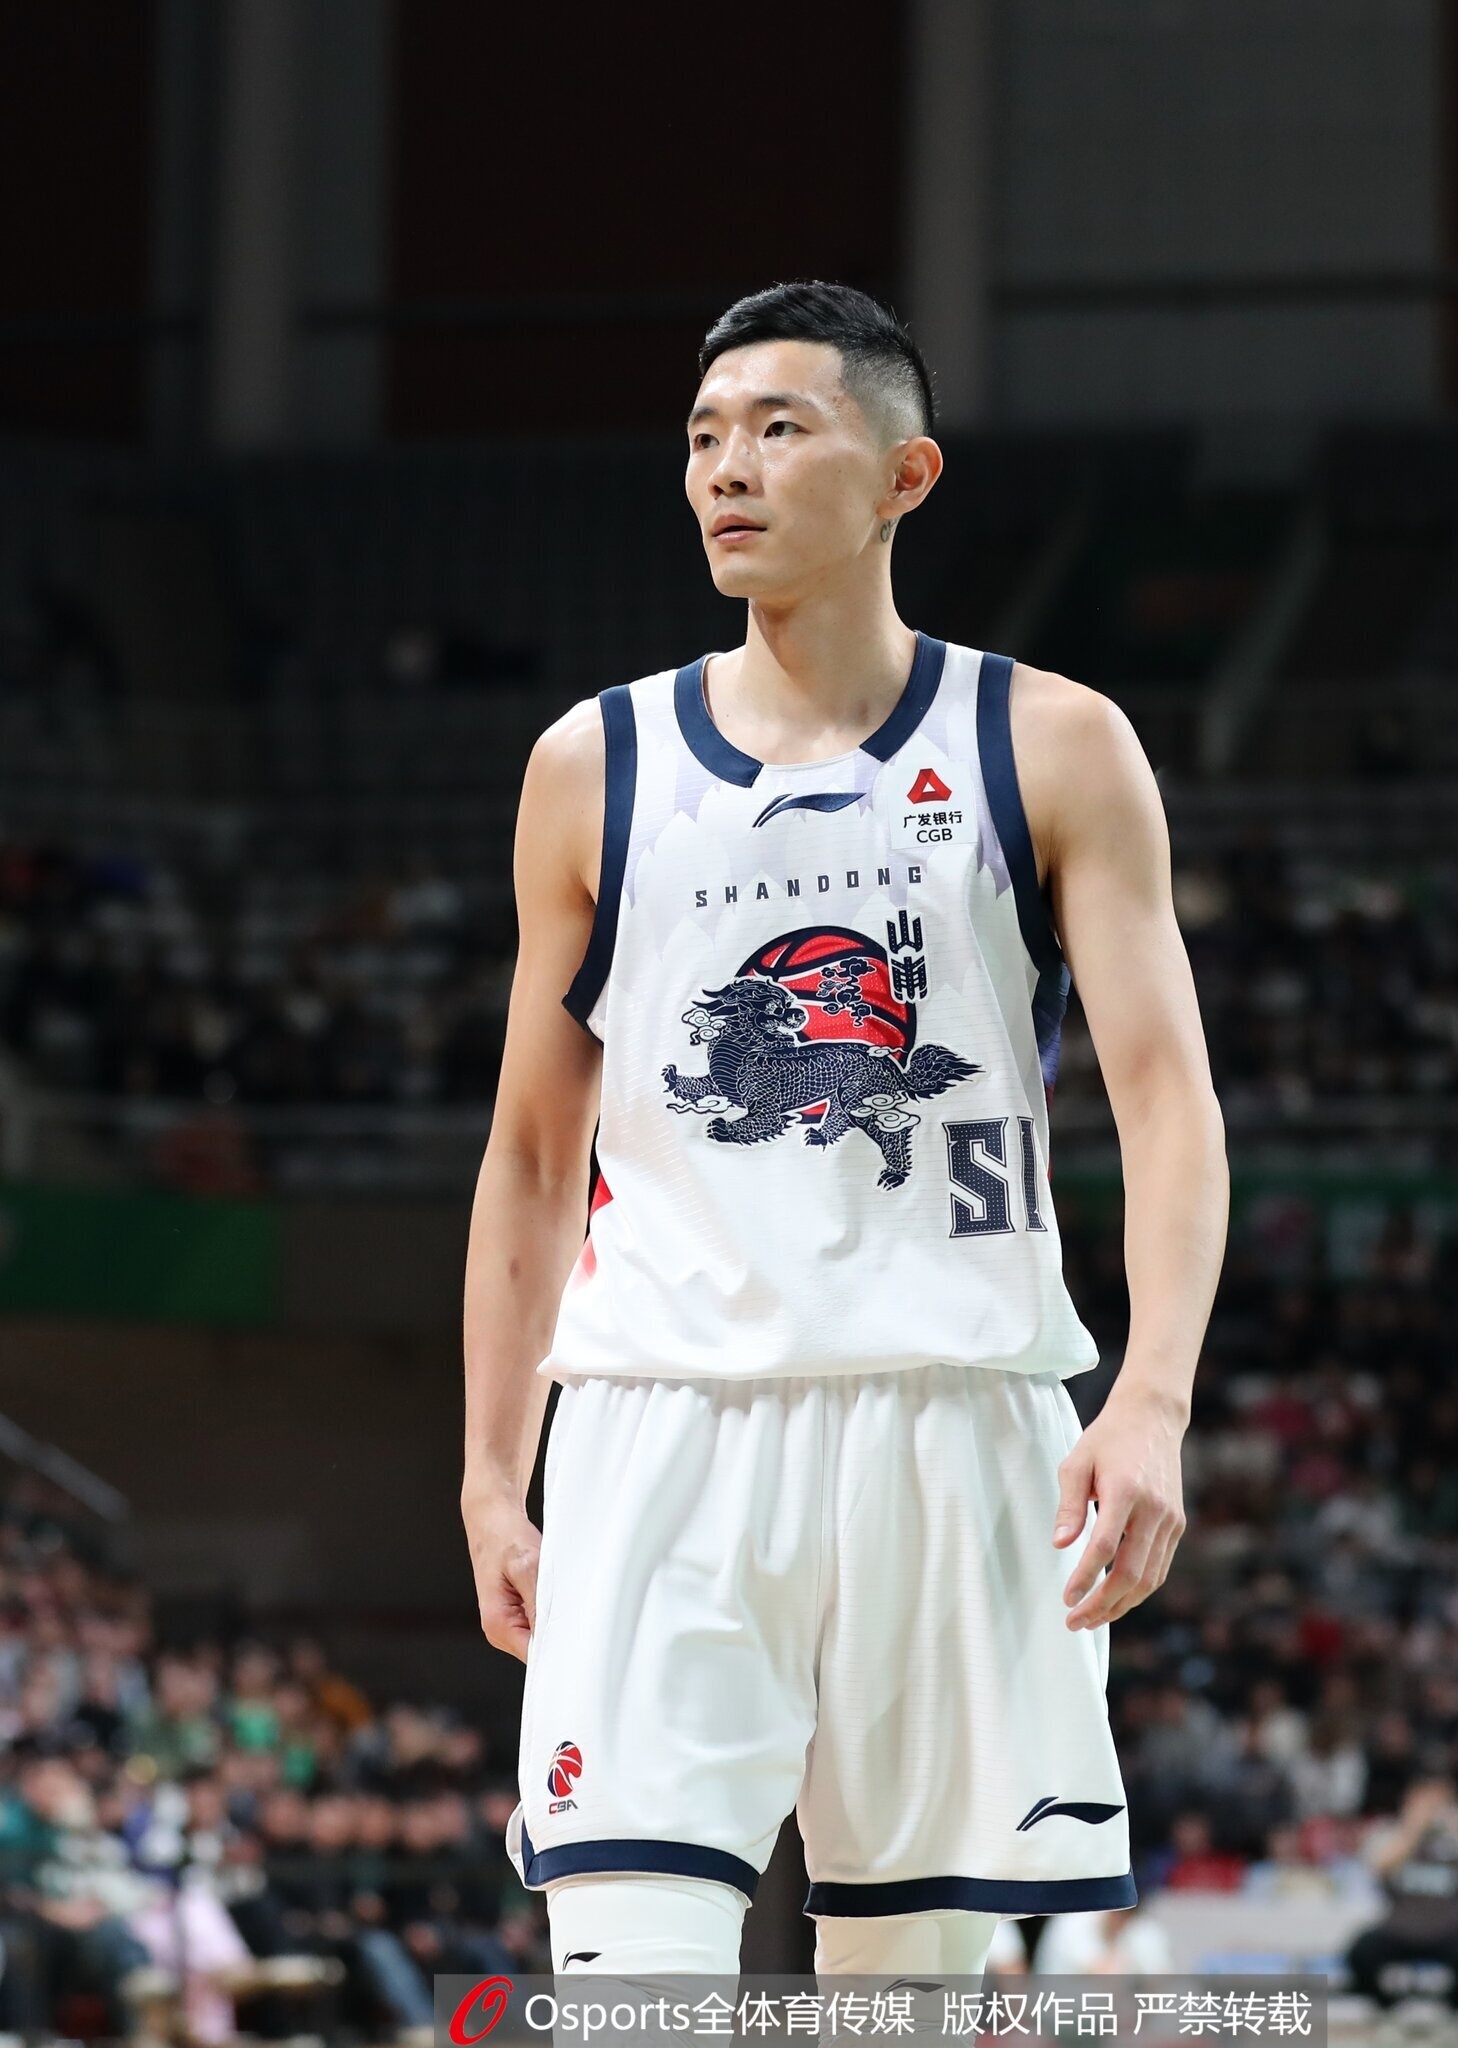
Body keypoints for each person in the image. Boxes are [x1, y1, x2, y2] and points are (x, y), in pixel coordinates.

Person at [460, 281, 1228, 1978]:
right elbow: (529, 1154)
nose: (726, 469)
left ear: (903, 475)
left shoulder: (1050, 742)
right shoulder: (591, 763)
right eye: (703, 437)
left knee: (908, 2002)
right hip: (659, 1426)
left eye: (778, 428)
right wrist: (491, 1474)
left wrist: (1151, 1400)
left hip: (955, 1420)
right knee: (626, 1993)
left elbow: (1165, 1100)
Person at [1346, 1776, 1458, 2009]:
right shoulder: (1388, 1832)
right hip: (1399, 1929)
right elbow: (1379, 1866)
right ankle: (1388, 2006)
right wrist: (1414, 1829)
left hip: (1447, 1929)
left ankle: (1448, 2009)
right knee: (1361, 1952)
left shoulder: (1452, 1835)